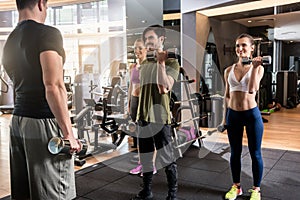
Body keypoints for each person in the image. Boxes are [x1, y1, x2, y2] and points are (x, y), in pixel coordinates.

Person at [2, 0, 82, 199]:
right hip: (43, 122)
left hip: (18, 122)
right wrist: (68, 133)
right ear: (40, 3)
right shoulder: (47, 33)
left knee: (25, 192)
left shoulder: (10, 40)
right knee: (56, 192)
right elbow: (53, 86)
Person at [131, 25, 180, 200]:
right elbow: (139, 91)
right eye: (145, 40)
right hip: (143, 117)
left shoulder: (172, 62)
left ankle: (172, 195)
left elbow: (163, 88)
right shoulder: (144, 63)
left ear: (161, 39)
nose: (147, 43)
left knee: (167, 159)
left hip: (160, 119)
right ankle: (147, 190)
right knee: (145, 159)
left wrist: (160, 62)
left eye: (151, 39)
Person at [222, 33, 264, 200]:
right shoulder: (228, 71)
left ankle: (256, 189)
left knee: (255, 153)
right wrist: (225, 117)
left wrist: (253, 67)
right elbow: (226, 95)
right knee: (235, 152)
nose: (240, 49)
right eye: (238, 45)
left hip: (251, 114)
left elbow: (252, 89)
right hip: (233, 115)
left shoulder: (258, 68)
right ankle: (236, 187)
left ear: (252, 48)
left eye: (244, 45)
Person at [128, 38, 157, 176]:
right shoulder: (132, 67)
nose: (137, 51)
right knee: (139, 135)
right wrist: (128, 103)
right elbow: (130, 87)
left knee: (149, 134)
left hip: (145, 102)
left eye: (140, 48)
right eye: (135, 48)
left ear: (146, 49)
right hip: (134, 101)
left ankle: (151, 165)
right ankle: (141, 164)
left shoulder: (149, 66)